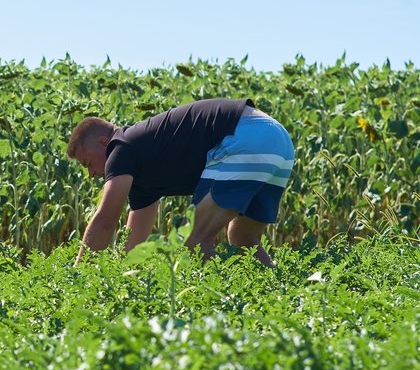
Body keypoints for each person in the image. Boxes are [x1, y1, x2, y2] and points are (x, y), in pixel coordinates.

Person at [67, 98, 295, 267]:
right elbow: (134, 248)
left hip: (244, 138)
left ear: (103, 141)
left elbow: (105, 220)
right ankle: (280, 292)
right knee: (243, 238)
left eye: (87, 163)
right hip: (278, 140)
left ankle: (224, 305)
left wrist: (79, 278)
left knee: (192, 240)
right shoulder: (140, 169)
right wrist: (125, 275)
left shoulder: (120, 147)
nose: (91, 174)